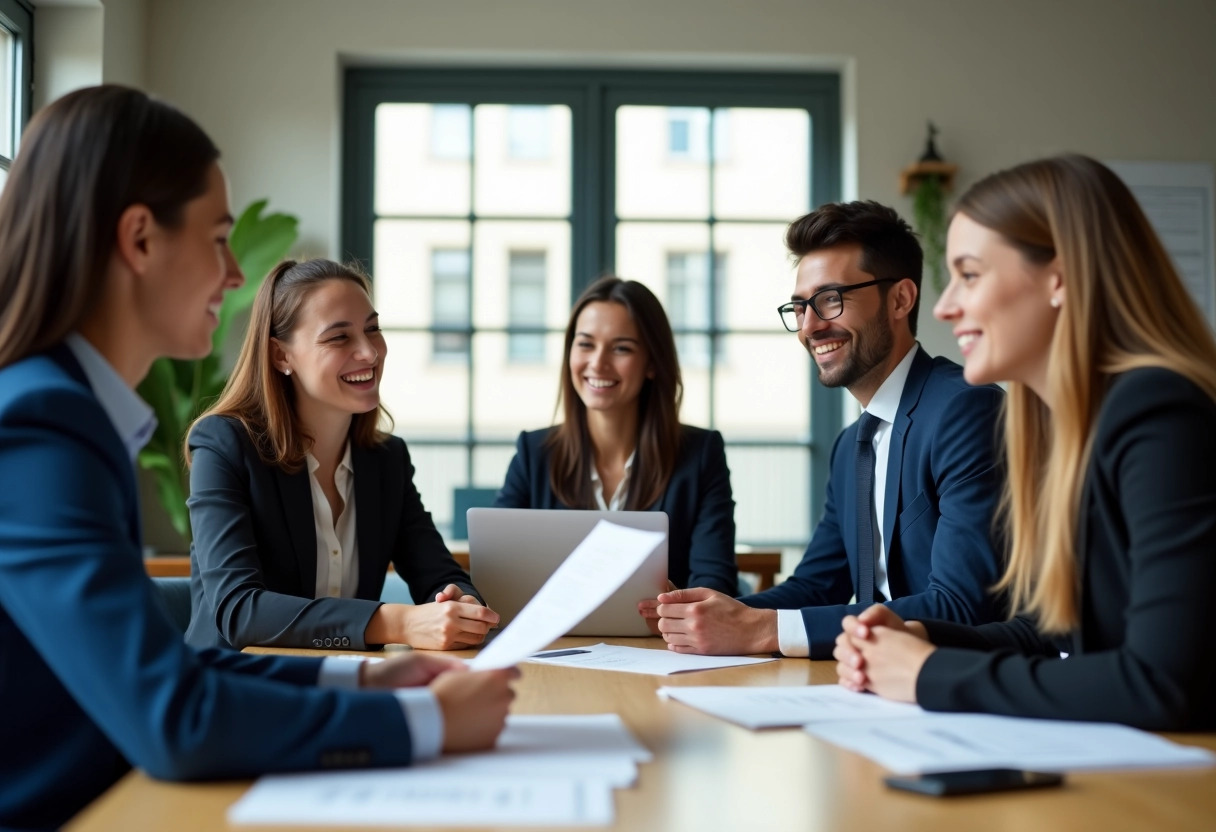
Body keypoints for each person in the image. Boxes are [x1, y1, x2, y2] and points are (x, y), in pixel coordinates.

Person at [0, 85, 515, 832]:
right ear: (139, 239)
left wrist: (371, 682)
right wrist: (420, 726)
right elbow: (173, 716)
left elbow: (168, 673)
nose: (237, 274)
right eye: (217, 240)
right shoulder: (43, 425)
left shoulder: (65, 411)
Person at [834, 155, 1216, 730]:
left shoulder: (1158, 412)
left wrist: (926, 674)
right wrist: (921, 635)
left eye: (969, 274)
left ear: (1059, 277)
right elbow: (1056, 631)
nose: (944, 307)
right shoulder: (1062, 425)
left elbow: (1159, 681)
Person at [655, 201, 1005, 658]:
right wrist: (706, 615)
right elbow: (817, 587)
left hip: (955, 687)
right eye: (800, 307)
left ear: (900, 298)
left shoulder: (964, 409)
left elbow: (962, 606)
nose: (810, 327)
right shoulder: (850, 448)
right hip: (866, 682)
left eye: (830, 300)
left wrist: (760, 630)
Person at [186, 258, 499, 652]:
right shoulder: (224, 445)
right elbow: (239, 611)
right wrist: (397, 621)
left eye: (372, 329)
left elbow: (438, 572)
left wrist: (460, 603)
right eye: (339, 338)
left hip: (346, 686)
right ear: (281, 356)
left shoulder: (387, 460)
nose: (369, 352)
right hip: (231, 691)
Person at [494, 275, 738, 602]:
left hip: (663, 647)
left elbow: (715, 585)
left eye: (621, 348)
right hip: (553, 648)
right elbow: (497, 572)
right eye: (585, 344)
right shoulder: (534, 453)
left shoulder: (700, 455)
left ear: (652, 362)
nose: (598, 363)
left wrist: (676, 603)